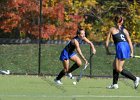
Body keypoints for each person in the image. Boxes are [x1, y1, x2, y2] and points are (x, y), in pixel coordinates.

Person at [105, 15, 140, 89]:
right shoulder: (125, 30)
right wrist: (131, 52)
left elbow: (107, 41)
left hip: (120, 47)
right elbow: (130, 41)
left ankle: (135, 79)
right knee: (114, 65)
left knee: (119, 69)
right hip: (125, 46)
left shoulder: (112, 29)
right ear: (121, 21)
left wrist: (107, 50)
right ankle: (114, 84)